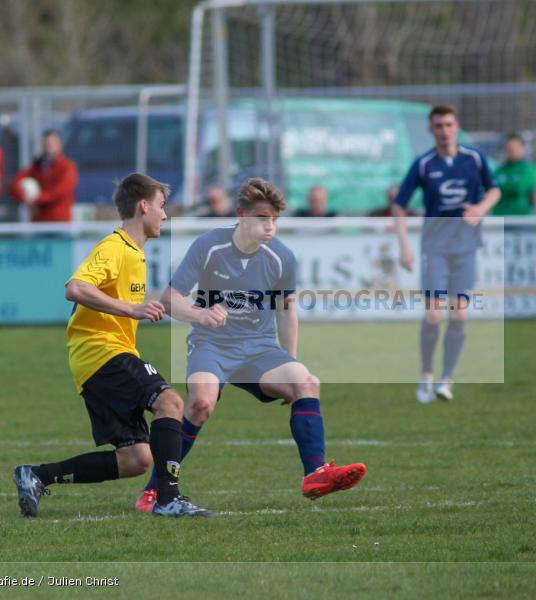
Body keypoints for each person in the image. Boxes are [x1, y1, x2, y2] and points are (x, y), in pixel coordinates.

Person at [134, 177, 366, 513]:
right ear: (241, 215)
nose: (269, 226)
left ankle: (316, 474)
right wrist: (200, 314)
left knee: (306, 383)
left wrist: (290, 362)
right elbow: (170, 300)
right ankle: (156, 487)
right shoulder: (209, 246)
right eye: (262, 218)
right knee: (200, 405)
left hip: (258, 349)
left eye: (274, 220)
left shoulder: (281, 257)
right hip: (211, 346)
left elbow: (287, 311)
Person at [13, 173, 213, 519]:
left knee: (137, 458)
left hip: (96, 361)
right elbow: (75, 288)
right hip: (102, 352)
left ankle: (37, 475)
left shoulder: (133, 254)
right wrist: (131, 309)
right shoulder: (115, 248)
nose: (165, 215)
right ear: (144, 206)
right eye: (162, 207)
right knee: (170, 401)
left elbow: (137, 300)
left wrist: (197, 313)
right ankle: (168, 499)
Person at [391, 105, 500, 404]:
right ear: (431, 130)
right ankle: (426, 373)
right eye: (438, 125)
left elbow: (495, 191)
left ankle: (446, 379)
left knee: (459, 313)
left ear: (457, 126)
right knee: (433, 313)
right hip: (435, 247)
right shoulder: (424, 164)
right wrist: (404, 246)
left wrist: (480, 209)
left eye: (449, 124)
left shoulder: (474, 159)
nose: (444, 130)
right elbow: (399, 204)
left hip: (466, 246)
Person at [10, 129, 79, 222]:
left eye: (52, 142)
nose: (49, 145)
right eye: (46, 142)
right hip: (39, 222)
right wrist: (25, 198)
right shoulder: (37, 167)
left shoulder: (67, 167)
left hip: (59, 222)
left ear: (60, 144)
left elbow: (59, 192)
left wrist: (37, 199)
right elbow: (15, 183)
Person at [491, 133, 536, 216]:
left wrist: (500, 188)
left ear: (522, 148)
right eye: (509, 147)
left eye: (514, 147)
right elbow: (490, 189)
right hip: (500, 217)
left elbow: (519, 188)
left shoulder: (528, 169)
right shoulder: (499, 170)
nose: (511, 150)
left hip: (521, 219)